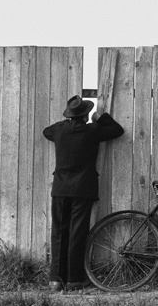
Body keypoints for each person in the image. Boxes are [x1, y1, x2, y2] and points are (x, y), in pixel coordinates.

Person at [42, 95, 124, 292]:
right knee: (77, 233)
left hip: (61, 188)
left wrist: (65, 123)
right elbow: (117, 130)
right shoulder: (92, 130)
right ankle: (74, 279)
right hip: (82, 188)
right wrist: (100, 118)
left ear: (69, 114)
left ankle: (55, 280)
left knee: (59, 232)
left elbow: (46, 131)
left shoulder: (59, 130)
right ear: (86, 114)